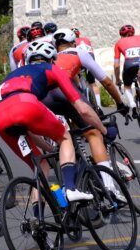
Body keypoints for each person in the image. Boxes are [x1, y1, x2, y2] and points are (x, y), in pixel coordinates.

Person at [0, 41, 115, 203]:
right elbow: (83, 109)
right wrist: (104, 131)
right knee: (65, 137)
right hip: (24, 102)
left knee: (40, 166)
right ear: (51, 59)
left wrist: (50, 149)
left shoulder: (12, 75)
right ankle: (71, 189)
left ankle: (37, 221)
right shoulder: (51, 68)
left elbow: (27, 129)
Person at [43, 29, 127, 201]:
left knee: (68, 137)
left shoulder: (51, 57)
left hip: (44, 99)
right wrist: (120, 103)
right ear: (74, 43)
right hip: (63, 94)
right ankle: (110, 188)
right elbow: (106, 82)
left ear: (55, 45)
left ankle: (70, 181)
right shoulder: (78, 52)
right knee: (93, 133)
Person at [114, 24, 140, 118]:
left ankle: (132, 104)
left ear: (121, 35)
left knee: (127, 86)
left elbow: (116, 65)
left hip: (129, 65)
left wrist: (117, 79)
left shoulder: (119, 42)